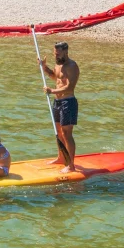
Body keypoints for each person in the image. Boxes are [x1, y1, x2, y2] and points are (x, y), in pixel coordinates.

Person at [39, 41, 80, 173]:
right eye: (54, 53)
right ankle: (61, 158)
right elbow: (54, 77)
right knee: (58, 132)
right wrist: (44, 67)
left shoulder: (72, 66)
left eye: (58, 53)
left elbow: (69, 87)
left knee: (67, 134)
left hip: (68, 102)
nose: (56, 55)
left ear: (66, 52)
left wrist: (52, 91)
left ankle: (71, 165)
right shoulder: (58, 64)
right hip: (57, 102)